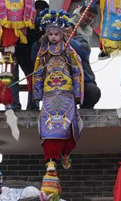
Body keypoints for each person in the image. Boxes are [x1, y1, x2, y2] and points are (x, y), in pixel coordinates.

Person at [33, 9, 84, 171]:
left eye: (56, 34)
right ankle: (51, 158)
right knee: (49, 126)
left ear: (62, 34)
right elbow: (38, 72)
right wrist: (37, 93)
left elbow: (77, 70)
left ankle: (65, 152)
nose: (53, 37)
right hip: (48, 94)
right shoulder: (43, 53)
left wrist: (77, 93)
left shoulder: (69, 50)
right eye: (50, 34)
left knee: (67, 123)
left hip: (66, 92)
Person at [10, 0, 49, 110]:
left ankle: (30, 106)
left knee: (33, 79)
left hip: (33, 55)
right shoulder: (25, 21)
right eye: (38, 11)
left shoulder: (44, 25)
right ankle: (18, 105)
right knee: (17, 78)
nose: (38, 14)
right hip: (20, 53)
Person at [68, 1, 102, 108]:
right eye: (88, 15)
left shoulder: (88, 30)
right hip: (66, 72)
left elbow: (84, 50)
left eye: (92, 17)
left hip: (83, 69)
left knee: (93, 92)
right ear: (81, 11)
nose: (90, 19)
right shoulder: (69, 23)